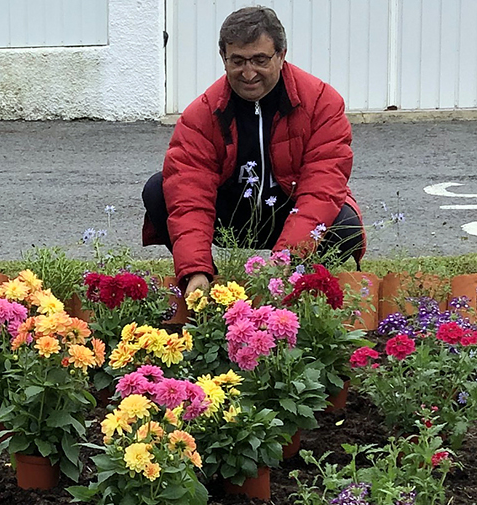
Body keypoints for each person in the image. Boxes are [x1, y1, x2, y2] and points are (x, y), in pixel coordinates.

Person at [141, 6, 364, 300]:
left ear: (281, 55)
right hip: (232, 215)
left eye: (260, 60)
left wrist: (286, 257)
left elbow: (322, 189)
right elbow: (188, 195)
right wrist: (195, 269)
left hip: (289, 210)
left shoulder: (323, 103)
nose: (248, 73)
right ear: (223, 57)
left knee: (345, 226)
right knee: (159, 190)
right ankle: (208, 283)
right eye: (238, 61)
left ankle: (297, 285)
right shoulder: (201, 114)